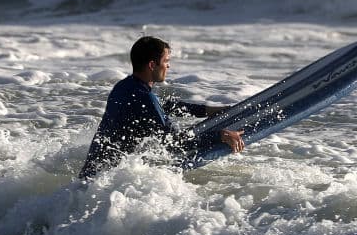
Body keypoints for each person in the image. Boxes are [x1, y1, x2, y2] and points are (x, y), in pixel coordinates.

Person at [79, 36, 245, 179]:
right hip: (107, 181)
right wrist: (220, 136)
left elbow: (164, 106)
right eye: (166, 61)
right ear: (152, 65)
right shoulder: (145, 98)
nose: (168, 66)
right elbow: (175, 142)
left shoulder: (124, 87)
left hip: (92, 176)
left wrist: (207, 110)